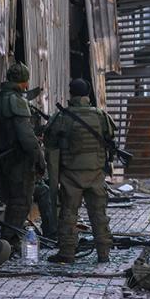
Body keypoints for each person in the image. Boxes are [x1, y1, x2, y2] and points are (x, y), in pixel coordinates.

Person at [44, 78, 117, 263]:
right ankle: (104, 253)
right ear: (88, 94)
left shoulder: (62, 117)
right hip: (96, 173)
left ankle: (67, 252)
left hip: (71, 174)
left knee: (68, 214)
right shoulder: (101, 116)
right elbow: (110, 139)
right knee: (99, 214)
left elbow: (50, 144)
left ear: (71, 94)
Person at [0, 62, 46, 250]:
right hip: (19, 159)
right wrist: (40, 159)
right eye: (26, 82)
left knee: (13, 201)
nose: (27, 86)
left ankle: (10, 241)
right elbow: (26, 137)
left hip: (4, 157)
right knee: (21, 202)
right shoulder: (16, 101)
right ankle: (8, 242)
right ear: (23, 82)